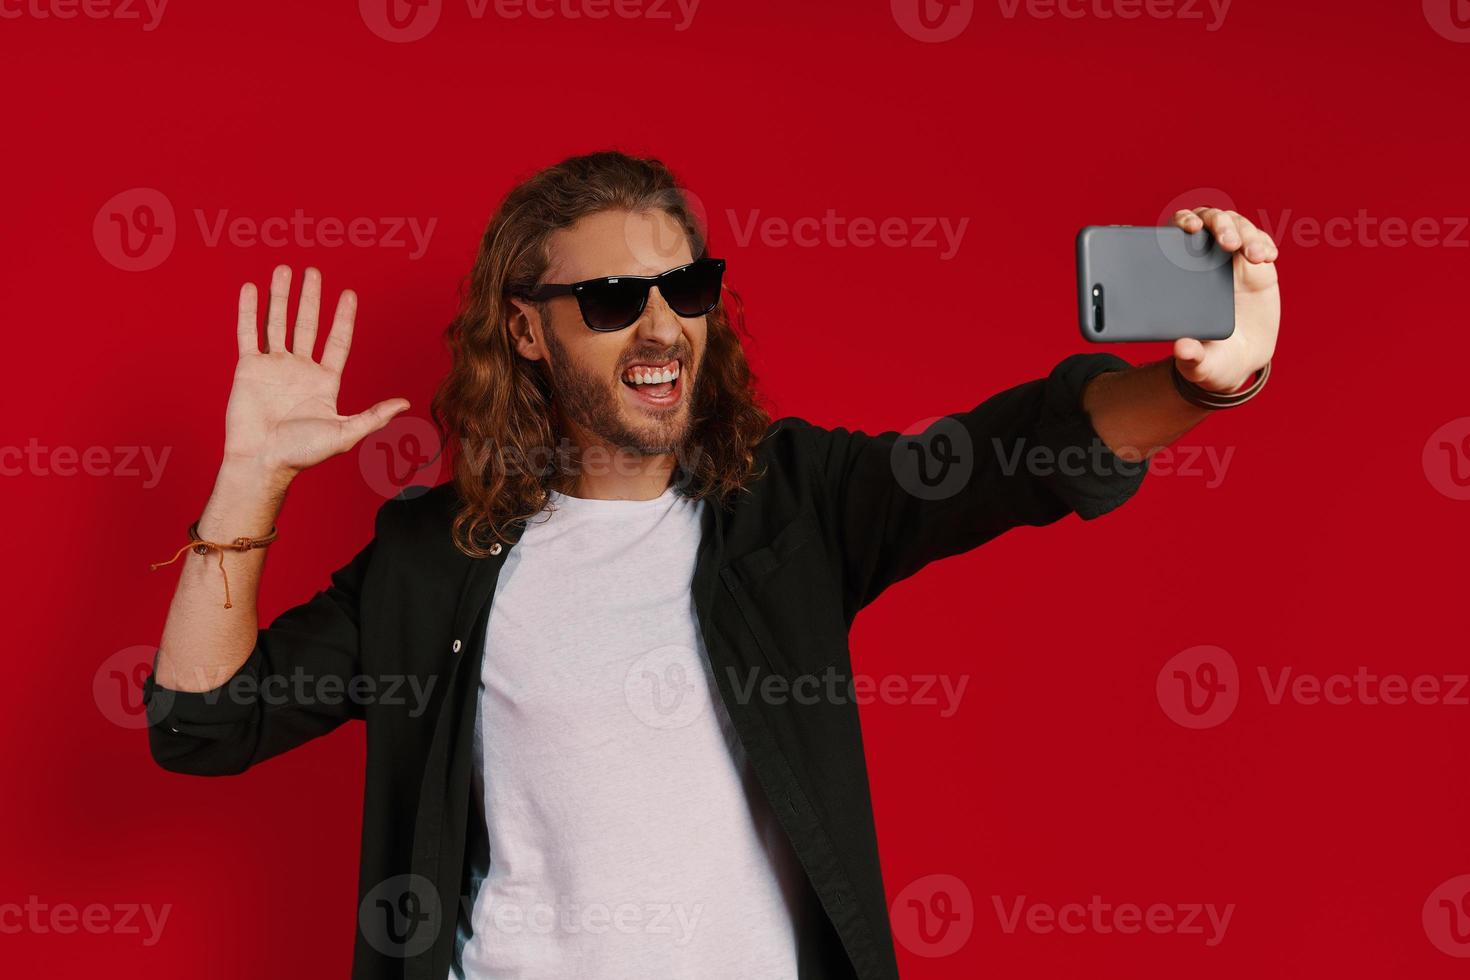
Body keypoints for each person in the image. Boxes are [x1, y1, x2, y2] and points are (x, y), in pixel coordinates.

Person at [143, 150, 1280, 980]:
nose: (660, 327)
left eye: (684, 289)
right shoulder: (434, 557)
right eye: (609, 298)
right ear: (528, 331)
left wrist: (1197, 385)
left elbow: (1016, 455)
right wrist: (253, 477)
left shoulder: (792, 506)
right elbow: (204, 722)